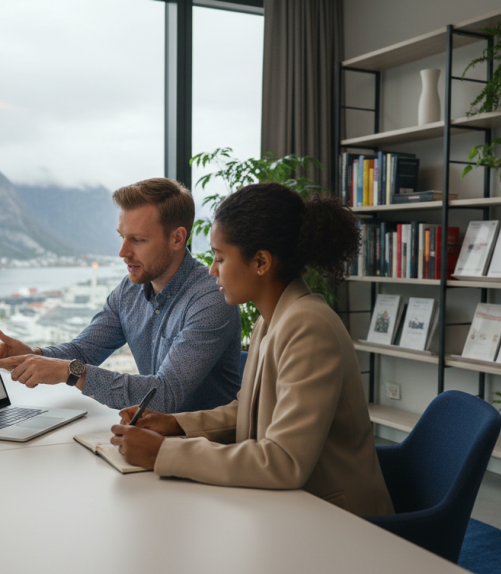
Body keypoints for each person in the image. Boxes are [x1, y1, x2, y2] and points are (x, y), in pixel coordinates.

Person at [109, 182, 394, 516]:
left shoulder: (309, 327)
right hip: (291, 505)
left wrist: (163, 454)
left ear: (260, 262)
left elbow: (284, 461)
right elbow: (245, 409)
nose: (212, 270)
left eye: (220, 258)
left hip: (338, 521)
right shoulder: (272, 319)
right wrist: (174, 425)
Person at [0, 177, 242, 414]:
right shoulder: (128, 291)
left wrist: (71, 371)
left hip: (205, 447)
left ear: (177, 239)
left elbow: (165, 395)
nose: (122, 252)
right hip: (151, 437)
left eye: (138, 240)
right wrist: (35, 355)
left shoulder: (211, 298)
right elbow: (84, 350)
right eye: (122, 237)